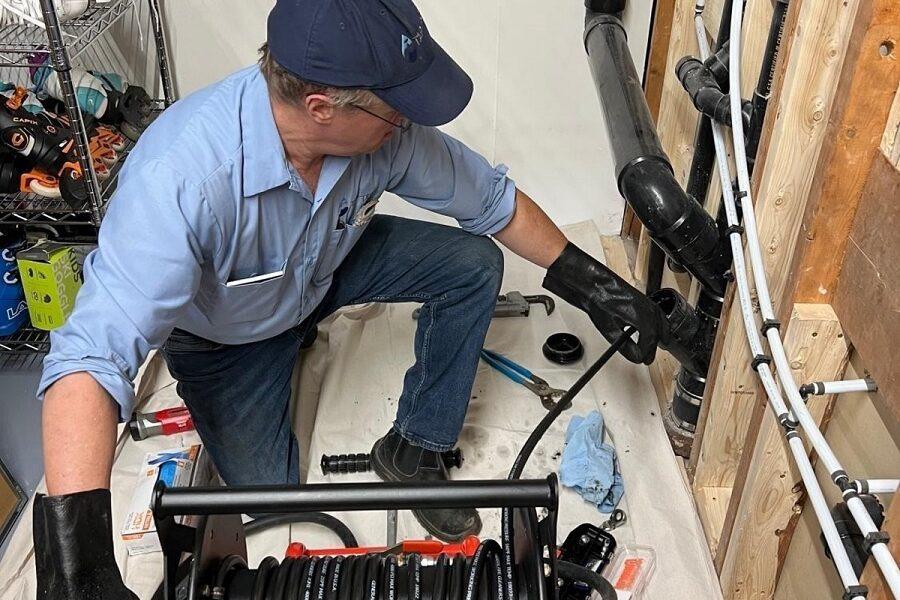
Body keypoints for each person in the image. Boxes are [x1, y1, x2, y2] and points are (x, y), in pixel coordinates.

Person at [32, 0, 668, 597]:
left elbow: (491, 201)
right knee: (274, 497)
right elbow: (89, 360)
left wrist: (596, 285)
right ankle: (277, 357)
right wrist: (79, 570)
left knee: (473, 265)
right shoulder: (179, 180)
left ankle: (414, 448)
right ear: (321, 108)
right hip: (228, 339)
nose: (406, 124)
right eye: (395, 112)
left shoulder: (384, 134)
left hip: (326, 267)